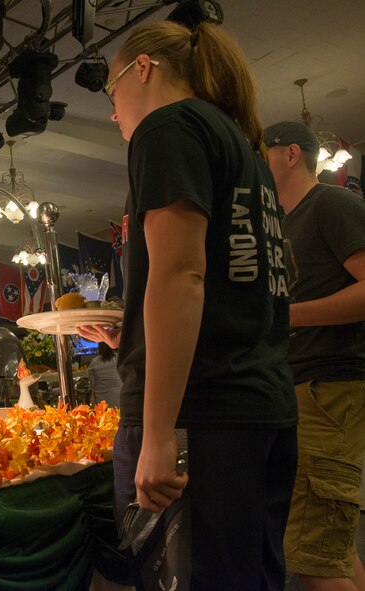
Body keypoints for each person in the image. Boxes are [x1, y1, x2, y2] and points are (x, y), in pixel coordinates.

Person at [77, 21, 297, 589]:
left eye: (111, 90)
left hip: (201, 416)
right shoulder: (241, 146)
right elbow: (237, 289)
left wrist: (158, 434)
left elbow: (181, 274)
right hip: (257, 407)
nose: (112, 111)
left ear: (143, 68)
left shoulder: (167, 127)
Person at [264, 120, 365, 591]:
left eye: (261, 151)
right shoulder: (279, 223)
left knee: (313, 557)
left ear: (290, 154)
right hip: (297, 389)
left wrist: (285, 317)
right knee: (325, 545)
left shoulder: (332, 202)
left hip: (327, 388)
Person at [87, 341, 121, 408]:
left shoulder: (94, 362)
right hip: (122, 404)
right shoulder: (121, 359)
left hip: (103, 407)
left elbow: (93, 385)